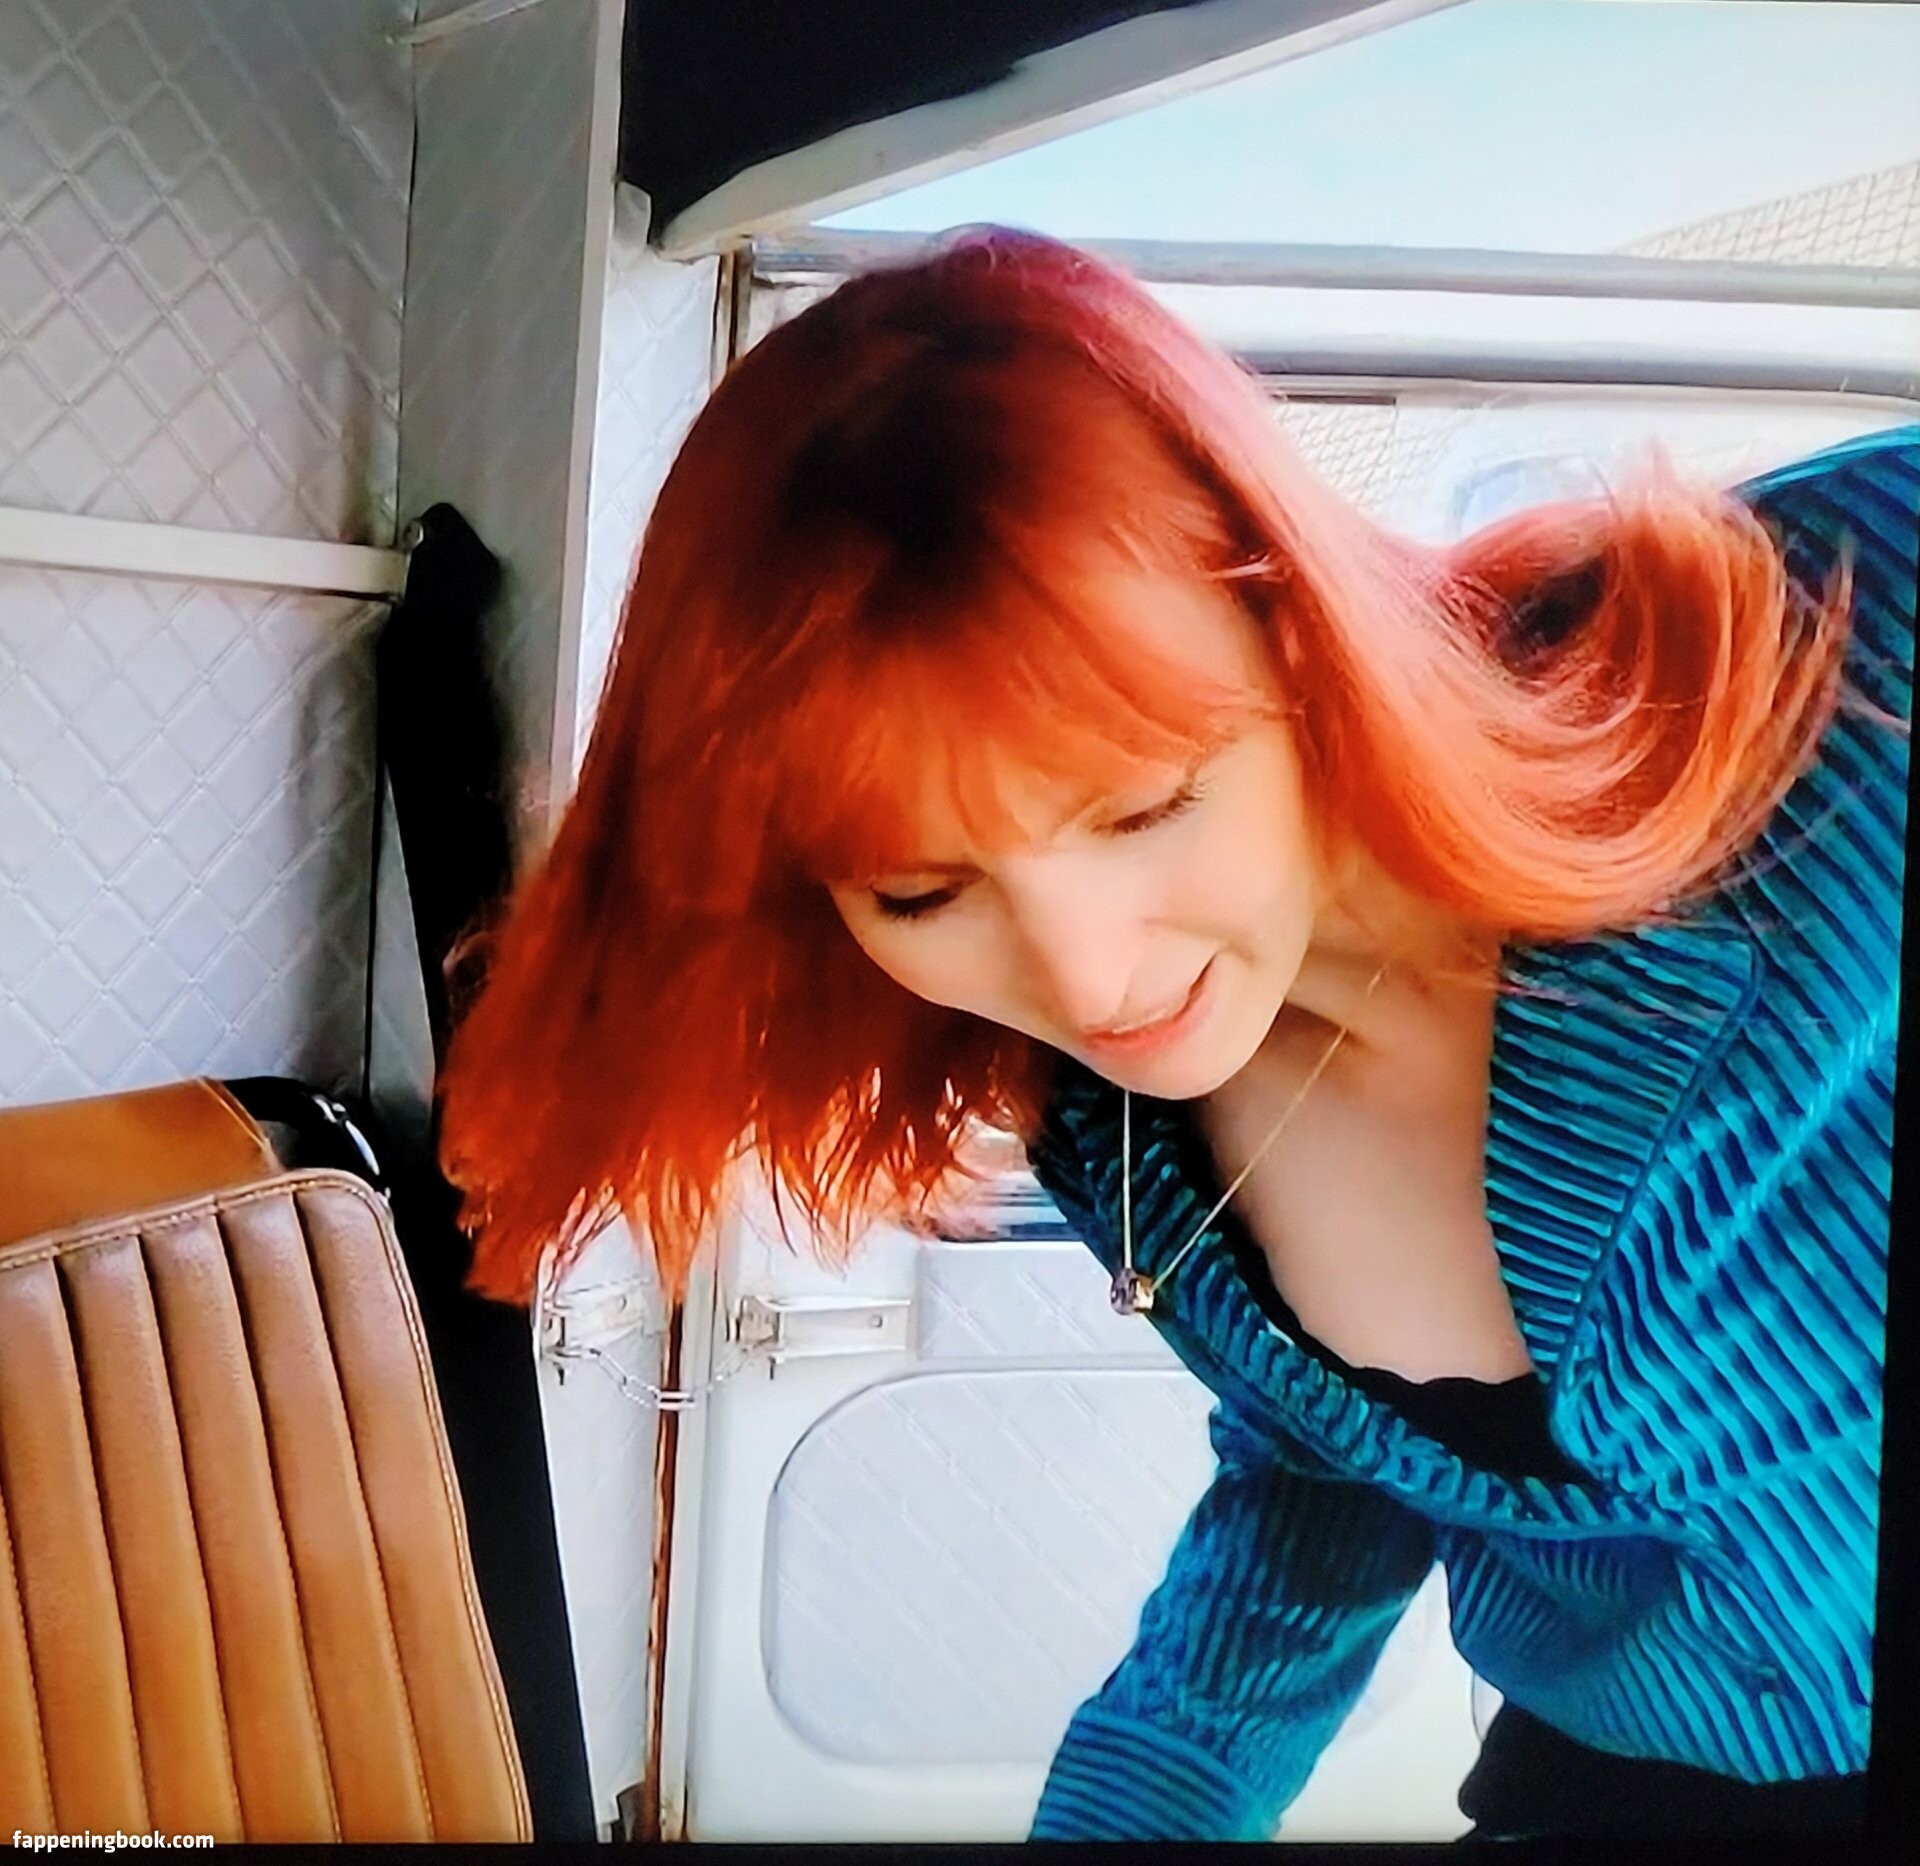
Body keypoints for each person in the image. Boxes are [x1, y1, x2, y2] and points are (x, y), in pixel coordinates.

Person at [436, 227, 1912, 1841]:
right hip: (1616, 1780)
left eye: (1144, 803)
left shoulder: (1815, 663)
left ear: (1295, 618)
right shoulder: (1120, 1134)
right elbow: (1333, 1471)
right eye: (922, 890)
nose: (1087, 976)